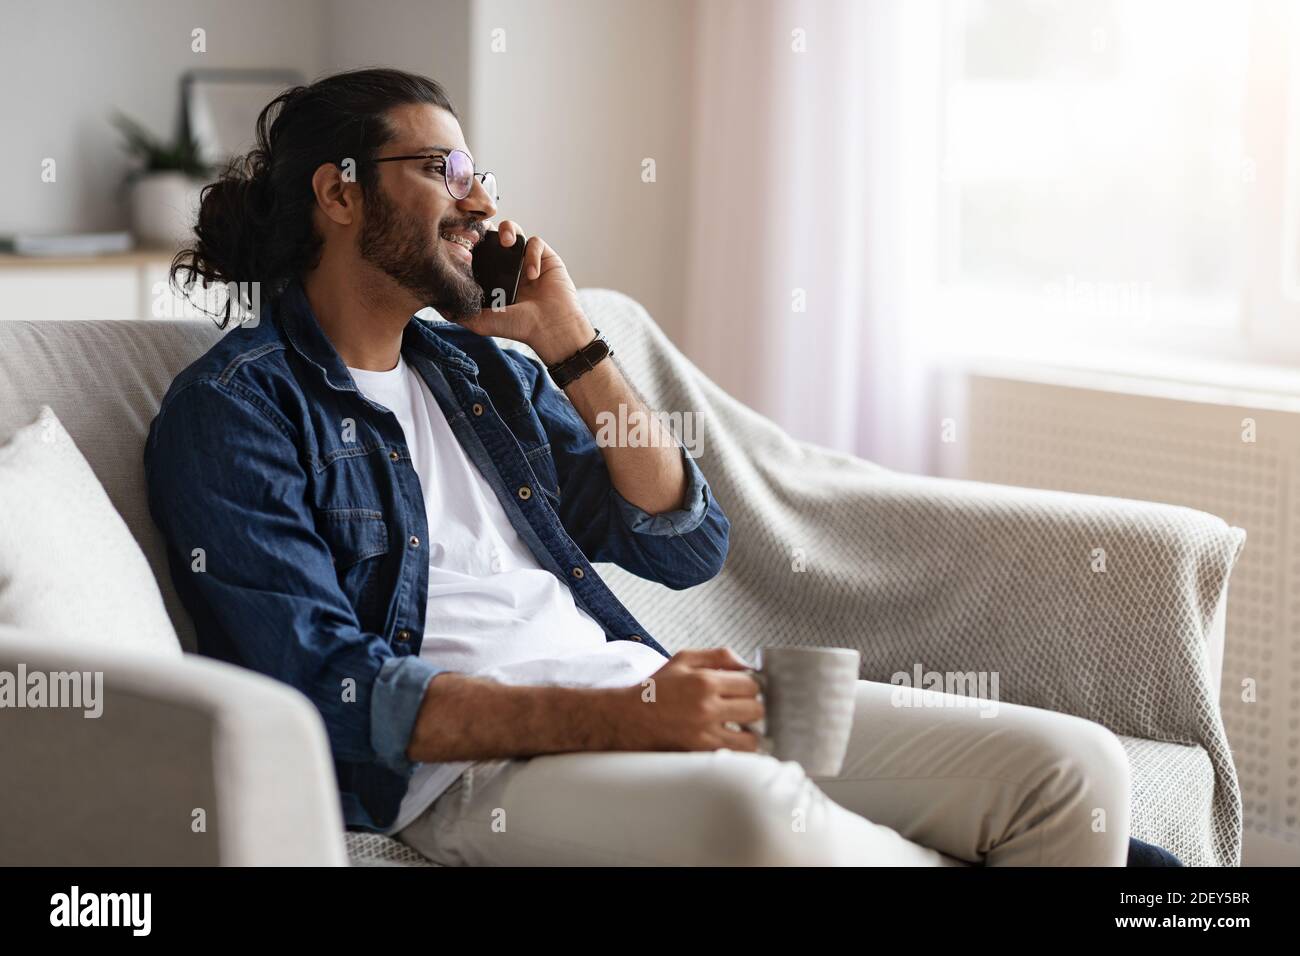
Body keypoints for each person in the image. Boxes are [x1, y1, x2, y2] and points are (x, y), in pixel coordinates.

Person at [146, 67, 1161, 866]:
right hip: (476, 773)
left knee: (1072, 766)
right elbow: (327, 688)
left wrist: (572, 341)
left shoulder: (475, 374)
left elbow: (680, 539)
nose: (480, 198)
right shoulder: (237, 412)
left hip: (641, 686)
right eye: (445, 171)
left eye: (480, 172)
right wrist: (622, 715)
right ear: (340, 191)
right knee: (764, 822)